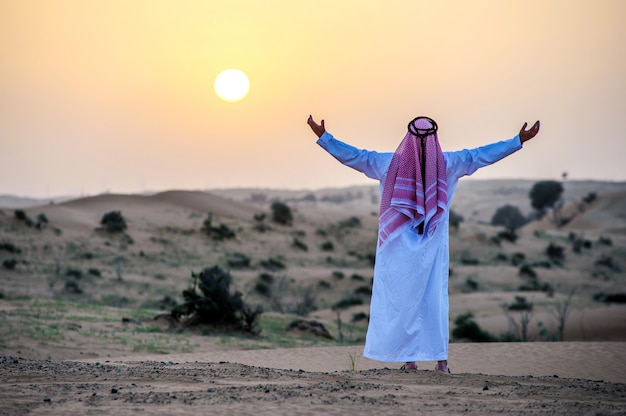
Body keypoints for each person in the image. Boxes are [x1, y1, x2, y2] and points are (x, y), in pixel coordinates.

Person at [306, 114, 540, 373]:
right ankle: (441, 363)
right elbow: (480, 155)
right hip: (431, 249)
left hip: (398, 250)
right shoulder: (449, 164)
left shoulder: (388, 164)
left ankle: (412, 362)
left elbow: (356, 156)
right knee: (434, 301)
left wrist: (325, 138)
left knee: (409, 302)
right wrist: (518, 140)